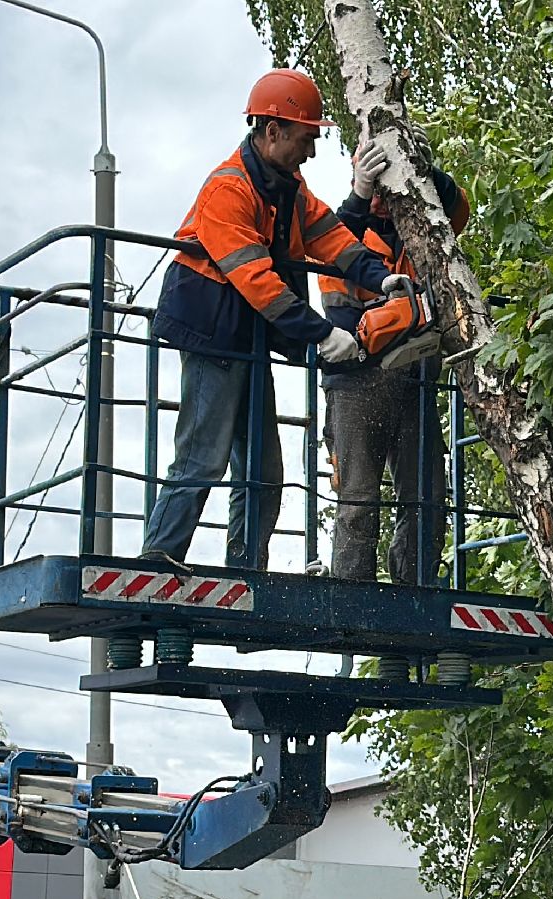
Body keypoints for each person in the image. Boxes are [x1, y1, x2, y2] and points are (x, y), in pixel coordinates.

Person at [141, 69, 408, 570]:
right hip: (212, 331)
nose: (310, 151)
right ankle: (160, 556)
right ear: (272, 131)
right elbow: (259, 282)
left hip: (248, 335)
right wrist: (324, 333)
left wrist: (381, 276)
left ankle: (246, 569)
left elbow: (331, 236)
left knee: (262, 469)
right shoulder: (229, 190)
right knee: (202, 454)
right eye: (306, 138)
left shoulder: (288, 186)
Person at [317, 140, 471, 584]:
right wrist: (362, 192)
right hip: (354, 380)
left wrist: (425, 170)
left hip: (413, 383)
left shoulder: (421, 230)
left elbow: (458, 211)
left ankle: (415, 590)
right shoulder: (343, 229)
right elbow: (330, 249)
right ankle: (351, 593)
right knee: (358, 497)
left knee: (426, 497)